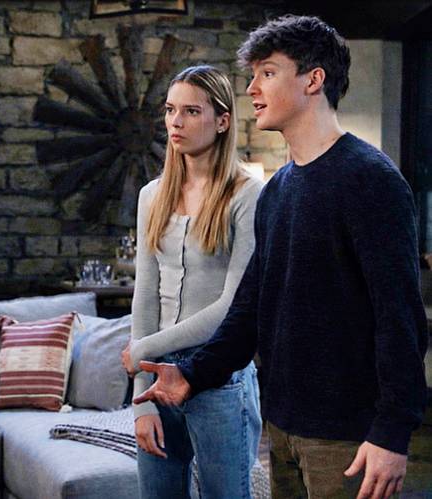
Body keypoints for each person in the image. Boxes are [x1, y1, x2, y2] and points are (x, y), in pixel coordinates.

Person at [134, 15, 428, 499]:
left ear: (314, 80)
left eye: (267, 73)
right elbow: (250, 309)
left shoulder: (370, 179)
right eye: (253, 75)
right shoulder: (279, 188)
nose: (252, 88)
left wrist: (392, 432)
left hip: (347, 436)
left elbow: (401, 319)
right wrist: (191, 374)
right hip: (284, 427)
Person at [121, 65, 264, 498]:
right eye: (170, 110)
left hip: (219, 378)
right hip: (156, 375)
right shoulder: (152, 195)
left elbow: (232, 307)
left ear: (222, 121)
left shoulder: (247, 194)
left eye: (191, 111)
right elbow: (145, 297)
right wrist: (140, 400)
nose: (175, 122)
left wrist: (141, 350)